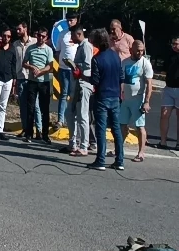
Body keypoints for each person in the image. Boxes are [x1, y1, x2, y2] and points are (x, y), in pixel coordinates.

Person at [90, 28, 125, 171]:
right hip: (115, 96)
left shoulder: (97, 59)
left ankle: (100, 160)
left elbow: (95, 81)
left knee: (101, 128)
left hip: (102, 96)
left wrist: (83, 76)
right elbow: (121, 77)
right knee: (116, 128)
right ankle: (120, 160)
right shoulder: (116, 56)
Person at [59, 24, 94, 156]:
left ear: (78, 34)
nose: (71, 38)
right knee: (70, 113)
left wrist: (75, 67)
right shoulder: (81, 46)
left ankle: (84, 146)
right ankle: (73, 144)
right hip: (76, 84)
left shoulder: (86, 46)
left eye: (73, 35)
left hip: (83, 84)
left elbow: (88, 67)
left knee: (82, 116)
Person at [120, 40, 153, 162]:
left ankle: (141, 153)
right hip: (125, 100)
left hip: (138, 100)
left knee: (140, 127)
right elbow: (121, 80)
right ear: (132, 50)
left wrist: (146, 101)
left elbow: (149, 84)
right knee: (122, 125)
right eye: (138, 50)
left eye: (142, 50)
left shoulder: (145, 63)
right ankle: (119, 149)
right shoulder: (125, 62)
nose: (140, 52)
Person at [22, 27, 55, 144]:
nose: (40, 38)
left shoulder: (48, 50)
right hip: (32, 81)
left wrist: (40, 71)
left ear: (46, 38)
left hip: (43, 82)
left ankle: (44, 135)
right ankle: (29, 133)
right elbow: (24, 63)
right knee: (30, 108)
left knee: (44, 109)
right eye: (39, 35)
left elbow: (50, 65)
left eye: (43, 36)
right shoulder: (30, 48)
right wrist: (31, 67)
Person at [12, 22, 42, 139]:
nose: (17, 31)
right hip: (21, 77)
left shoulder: (34, 42)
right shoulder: (15, 44)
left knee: (36, 105)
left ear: (25, 29)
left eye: (19, 29)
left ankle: (39, 130)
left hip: (33, 78)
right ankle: (26, 129)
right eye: (17, 29)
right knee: (23, 106)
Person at [53, 11, 80, 129]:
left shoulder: (80, 34)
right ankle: (60, 119)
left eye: (72, 20)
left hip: (76, 69)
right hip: (63, 68)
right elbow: (57, 50)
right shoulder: (62, 34)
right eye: (68, 20)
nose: (70, 22)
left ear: (76, 20)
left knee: (74, 95)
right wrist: (59, 63)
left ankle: (73, 117)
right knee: (63, 94)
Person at [157, 35, 179, 150]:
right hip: (169, 88)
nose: (174, 46)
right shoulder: (169, 55)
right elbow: (164, 69)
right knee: (164, 115)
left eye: (176, 44)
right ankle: (163, 141)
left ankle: (178, 143)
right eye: (173, 44)